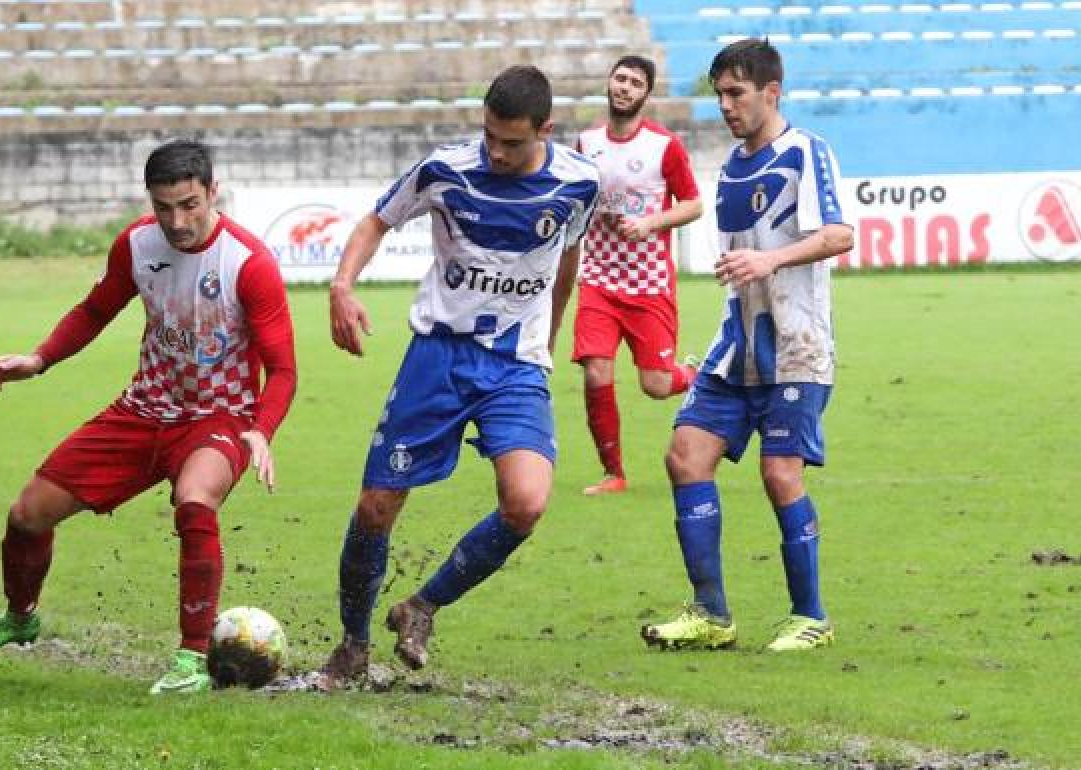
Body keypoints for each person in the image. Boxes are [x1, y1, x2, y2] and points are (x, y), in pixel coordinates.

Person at [0, 140, 297, 693]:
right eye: (164, 207)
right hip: (143, 409)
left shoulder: (249, 264)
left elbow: (282, 369)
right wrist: (38, 359)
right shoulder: (137, 244)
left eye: (189, 205)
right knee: (27, 515)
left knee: (194, 499)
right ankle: (20, 616)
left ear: (213, 192)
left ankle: (191, 657)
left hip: (220, 416)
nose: (177, 221)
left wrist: (262, 428)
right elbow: (96, 309)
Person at [317, 65, 599, 689]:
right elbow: (375, 222)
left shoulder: (580, 183)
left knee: (526, 503)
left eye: (512, 141)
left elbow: (566, 257)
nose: (495, 151)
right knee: (376, 505)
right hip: (438, 357)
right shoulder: (445, 169)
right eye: (489, 135)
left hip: (515, 365)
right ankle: (353, 645)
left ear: (546, 130)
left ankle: (422, 607)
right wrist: (342, 285)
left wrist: (546, 341)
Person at [641, 39, 853, 652]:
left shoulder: (806, 153)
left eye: (736, 94)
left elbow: (839, 234)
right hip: (738, 348)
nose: (726, 106)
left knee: (779, 473)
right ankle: (711, 615)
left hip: (797, 348)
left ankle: (811, 616)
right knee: (685, 456)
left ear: (772, 92)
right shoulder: (732, 166)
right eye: (720, 96)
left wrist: (770, 260)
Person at [574, 55, 704, 496]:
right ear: (609, 84)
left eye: (635, 82)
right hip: (598, 279)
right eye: (620, 78)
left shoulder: (664, 145)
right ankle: (614, 473)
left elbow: (693, 203)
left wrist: (650, 223)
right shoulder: (587, 141)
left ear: (646, 94)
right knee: (595, 373)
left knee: (657, 384)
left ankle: (696, 376)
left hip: (648, 282)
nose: (625, 87)